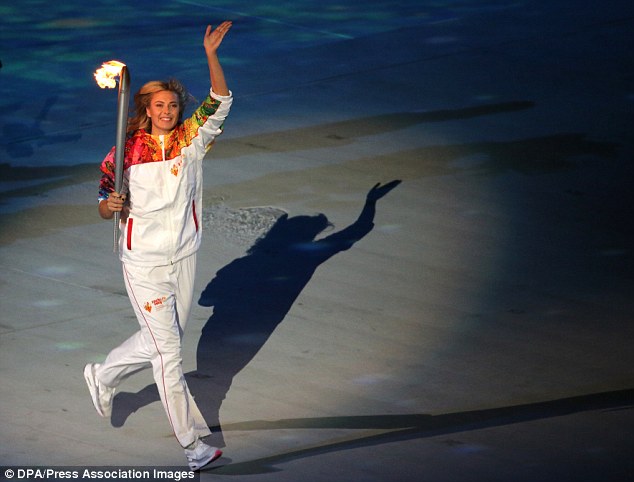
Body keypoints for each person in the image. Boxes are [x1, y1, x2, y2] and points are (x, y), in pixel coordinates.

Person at [83, 21, 234, 471]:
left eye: (172, 105)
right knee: (169, 354)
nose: (166, 111)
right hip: (144, 263)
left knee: (159, 343)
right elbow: (103, 207)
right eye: (158, 105)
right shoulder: (124, 152)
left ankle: (102, 374)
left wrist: (211, 55)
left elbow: (220, 102)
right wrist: (112, 204)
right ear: (145, 109)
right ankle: (192, 446)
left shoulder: (191, 140)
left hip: (184, 256)